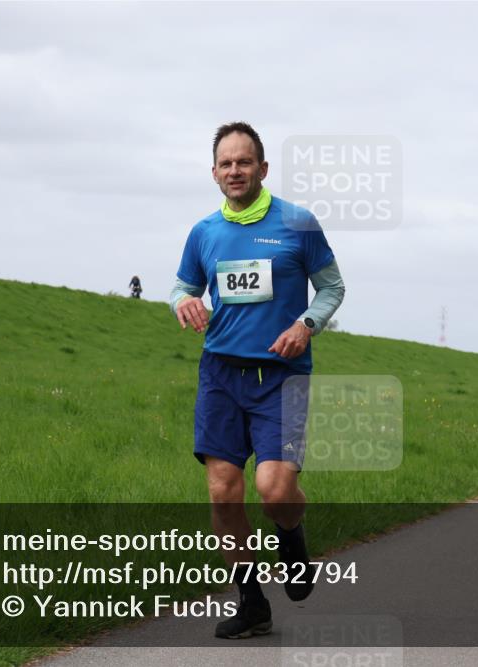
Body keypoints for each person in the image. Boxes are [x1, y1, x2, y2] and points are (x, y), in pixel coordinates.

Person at [170, 122, 345, 639]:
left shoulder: (297, 223)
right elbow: (184, 283)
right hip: (220, 374)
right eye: (225, 164)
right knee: (223, 493)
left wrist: (305, 325)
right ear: (214, 173)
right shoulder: (204, 232)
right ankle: (252, 604)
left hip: (281, 377)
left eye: (244, 162)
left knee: (274, 491)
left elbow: (332, 287)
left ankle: (292, 540)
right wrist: (183, 300)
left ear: (262, 168)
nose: (235, 171)